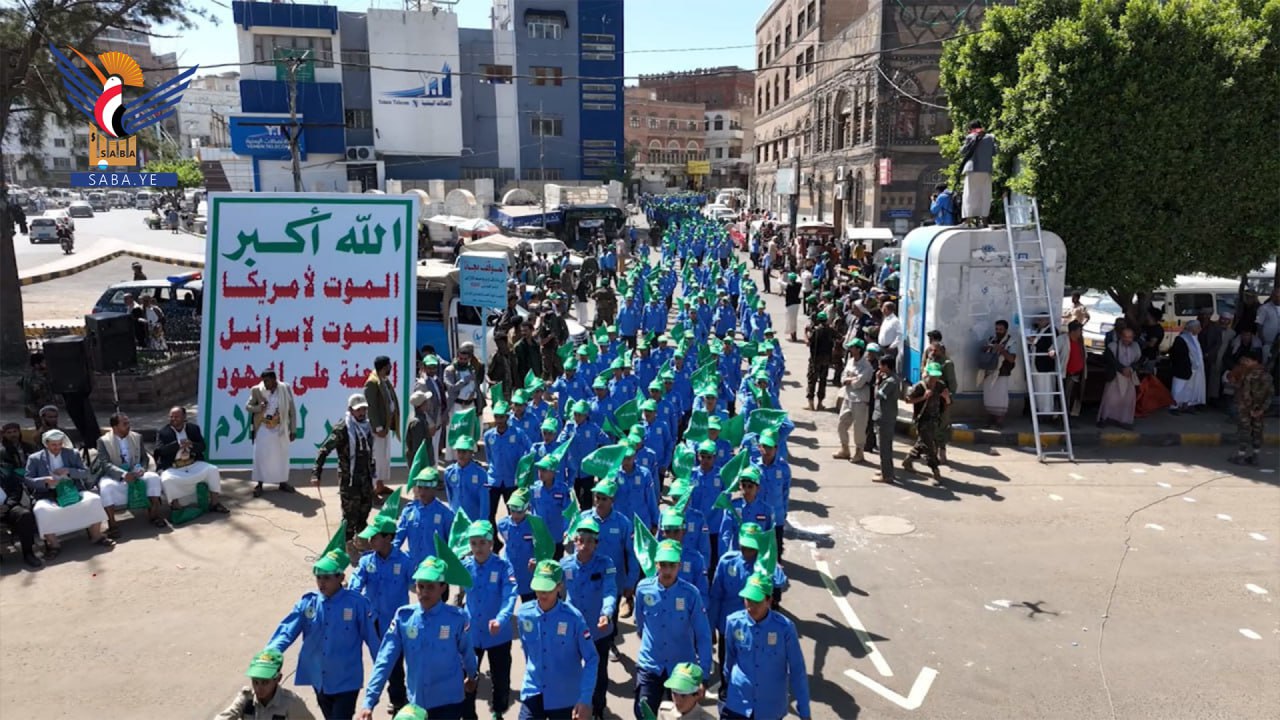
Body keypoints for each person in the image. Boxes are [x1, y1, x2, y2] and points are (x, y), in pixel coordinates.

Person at [359, 556, 479, 720]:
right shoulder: (404, 617)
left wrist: (472, 676)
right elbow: (385, 659)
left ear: (443, 587)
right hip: (417, 704)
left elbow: (467, 652)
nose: (424, 592)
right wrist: (369, 702)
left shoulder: (456, 618)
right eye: (420, 586)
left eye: (430, 587)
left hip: (448, 701)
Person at [268, 548, 379, 720]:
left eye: (327, 577)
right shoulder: (308, 603)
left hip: (346, 680)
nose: (321, 582)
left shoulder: (357, 604)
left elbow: (372, 639)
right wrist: (270, 652)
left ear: (341, 578)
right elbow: (287, 630)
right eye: (319, 577)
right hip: (319, 679)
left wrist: (381, 669)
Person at [633, 539, 712, 720]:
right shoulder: (643, 589)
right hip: (650, 664)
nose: (667, 571)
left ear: (679, 565)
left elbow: (703, 635)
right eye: (663, 565)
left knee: (681, 715)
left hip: (681, 670)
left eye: (672, 565)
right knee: (643, 712)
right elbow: (640, 623)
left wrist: (704, 676)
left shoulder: (691, 594)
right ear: (656, 564)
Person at [721, 572, 812, 720]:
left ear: (769, 600)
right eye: (748, 600)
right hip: (738, 705)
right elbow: (729, 660)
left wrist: (805, 712)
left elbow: (797, 670)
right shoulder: (733, 622)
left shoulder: (785, 629)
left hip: (770, 709)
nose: (751, 606)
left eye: (757, 601)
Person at [515, 560, 598, 720]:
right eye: (539, 588)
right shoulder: (525, 614)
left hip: (564, 696)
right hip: (534, 690)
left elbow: (591, 658)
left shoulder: (574, 618)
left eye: (548, 589)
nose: (542, 594)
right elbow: (528, 652)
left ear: (559, 586)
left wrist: (585, 699)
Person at [350, 516, 414, 716]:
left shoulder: (404, 561)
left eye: (375, 537)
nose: (370, 541)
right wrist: (349, 594)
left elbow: (417, 585)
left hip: (396, 623)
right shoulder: (367, 560)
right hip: (373, 622)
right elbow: (357, 581)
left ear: (388, 538)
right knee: (380, 661)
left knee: (394, 663)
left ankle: (398, 699)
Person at [455, 520, 519, 720]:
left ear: (491, 544)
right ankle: (468, 714)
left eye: (482, 543)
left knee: (500, 677)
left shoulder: (502, 566)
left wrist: (501, 619)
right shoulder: (465, 566)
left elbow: (510, 595)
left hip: (497, 633)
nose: (478, 548)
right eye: (473, 543)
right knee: (467, 676)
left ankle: (498, 711)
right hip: (472, 633)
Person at [559, 517, 617, 719]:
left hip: (598, 628)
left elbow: (610, 591)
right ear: (575, 540)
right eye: (581, 539)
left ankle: (598, 709)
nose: (584, 544)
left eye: (590, 540)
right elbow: (551, 587)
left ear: (597, 544)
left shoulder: (605, 564)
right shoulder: (564, 565)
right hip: (572, 630)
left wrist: (606, 613)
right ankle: (574, 706)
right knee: (571, 671)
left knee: (599, 674)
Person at [23, 429, 113, 556]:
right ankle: (54, 544)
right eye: (54, 445)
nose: (57, 447)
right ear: (46, 444)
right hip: (48, 494)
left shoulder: (72, 454)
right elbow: (28, 479)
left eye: (60, 444)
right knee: (41, 510)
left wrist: (69, 471)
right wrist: (45, 481)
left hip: (73, 490)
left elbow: (85, 473)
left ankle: (96, 535)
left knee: (94, 500)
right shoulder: (35, 458)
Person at [312, 393, 378, 556]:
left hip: (365, 478)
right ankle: (346, 546)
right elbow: (324, 450)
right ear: (350, 410)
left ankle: (361, 541)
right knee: (350, 515)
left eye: (364, 409)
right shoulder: (343, 428)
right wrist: (316, 473)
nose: (362, 413)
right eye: (358, 410)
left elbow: (370, 452)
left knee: (365, 510)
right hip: (350, 480)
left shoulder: (367, 426)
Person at [94, 412, 166, 532]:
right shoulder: (103, 441)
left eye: (128, 423)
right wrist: (123, 475)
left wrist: (142, 468)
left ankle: (154, 515)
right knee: (106, 487)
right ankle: (112, 524)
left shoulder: (136, 437)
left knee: (153, 478)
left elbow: (144, 457)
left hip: (135, 472)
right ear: (115, 427)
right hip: (115, 476)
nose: (128, 426)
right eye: (125, 424)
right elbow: (105, 464)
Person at [154, 405, 229, 513]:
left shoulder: (193, 428)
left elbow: (203, 446)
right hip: (174, 466)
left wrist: (192, 444)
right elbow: (160, 451)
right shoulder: (163, 432)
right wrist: (177, 445)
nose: (173, 419)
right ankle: (176, 507)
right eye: (171, 417)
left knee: (212, 470)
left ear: (184, 417)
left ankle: (214, 503)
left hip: (192, 463)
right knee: (167, 480)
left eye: (177, 417)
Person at [216, 648, 315, 719]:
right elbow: (226, 716)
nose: (259, 688)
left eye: (265, 682)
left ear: (278, 678)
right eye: (255, 682)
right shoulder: (247, 697)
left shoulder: (291, 703)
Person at [246, 369, 299, 497]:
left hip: (280, 427)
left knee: (282, 456)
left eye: (267, 381)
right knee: (261, 456)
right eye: (263, 381)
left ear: (274, 379)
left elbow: (292, 410)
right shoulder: (257, 390)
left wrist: (293, 430)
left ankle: (282, 482)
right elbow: (248, 406)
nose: (265, 383)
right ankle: (260, 484)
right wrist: (259, 408)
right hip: (263, 427)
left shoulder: (284, 388)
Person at [484, 400, 532, 529]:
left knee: (514, 514)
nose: (499, 420)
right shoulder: (488, 436)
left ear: (507, 416)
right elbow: (489, 456)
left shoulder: (518, 433)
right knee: (489, 514)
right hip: (494, 480)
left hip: (511, 481)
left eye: (502, 417)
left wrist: (523, 468)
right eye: (496, 417)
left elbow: (530, 450)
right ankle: (494, 542)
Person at [0, 422, 43, 567]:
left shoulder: (3, 470)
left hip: (7, 506)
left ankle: (28, 553)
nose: (12, 435)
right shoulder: (3, 452)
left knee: (24, 515)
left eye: (15, 431)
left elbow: (14, 488)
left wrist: (7, 506)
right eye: (9, 432)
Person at [904, 363, 950, 484]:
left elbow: (948, 402)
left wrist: (946, 397)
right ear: (927, 374)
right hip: (923, 421)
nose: (934, 379)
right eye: (932, 376)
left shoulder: (940, 386)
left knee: (923, 443)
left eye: (937, 376)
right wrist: (923, 397)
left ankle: (908, 460)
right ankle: (935, 470)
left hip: (935, 420)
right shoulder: (920, 386)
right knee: (930, 447)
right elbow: (908, 400)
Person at [364, 355, 401, 498]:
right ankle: (373, 490)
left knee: (384, 458)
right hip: (377, 430)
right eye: (389, 365)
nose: (391, 368)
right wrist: (378, 427)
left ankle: (380, 486)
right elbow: (371, 407)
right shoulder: (372, 383)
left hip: (385, 427)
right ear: (384, 367)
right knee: (376, 458)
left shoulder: (384, 381)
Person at [1229, 351, 1273, 466]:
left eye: (1248, 361)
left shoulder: (1249, 375)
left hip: (1246, 409)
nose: (1245, 363)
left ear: (1254, 361)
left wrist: (1251, 409)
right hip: (1260, 410)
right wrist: (1262, 409)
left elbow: (1246, 393)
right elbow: (1270, 394)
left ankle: (1241, 456)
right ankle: (1255, 456)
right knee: (1257, 432)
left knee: (1245, 431)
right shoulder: (1267, 375)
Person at [443, 343, 485, 461]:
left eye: (465, 359)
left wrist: (475, 396)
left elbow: (475, 385)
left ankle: (467, 457)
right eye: (460, 358)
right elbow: (451, 388)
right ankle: (453, 459)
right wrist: (464, 380)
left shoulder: (471, 368)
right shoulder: (450, 370)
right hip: (456, 405)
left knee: (468, 431)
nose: (462, 361)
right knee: (454, 431)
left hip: (469, 404)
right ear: (457, 357)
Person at [835, 338, 872, 462]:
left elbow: (859, 383)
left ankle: (859, 452)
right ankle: (845, 449)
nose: (850, 349)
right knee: (841, 424)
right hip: (847, 397)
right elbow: (843, 377)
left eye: (852, 347)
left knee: (859, 428)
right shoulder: (850, 361)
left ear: (858, 349)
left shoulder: (867, 366)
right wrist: (851, 379)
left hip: (860, 400)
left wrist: (851, 380)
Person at [1097, 327, 1141, 430]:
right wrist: (1122, 369)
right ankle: (1104, 419)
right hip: (1115, 376)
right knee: (1110, 399)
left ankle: (1124, 420)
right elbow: (1110, 360)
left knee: (1127, 400)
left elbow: (1139, 361)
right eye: (1125, 337)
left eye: (1130, 337)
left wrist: (1131, 368)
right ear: (1121, 336)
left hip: (1129, 376)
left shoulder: (1136, 347)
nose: (1127, 339)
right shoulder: (1112, 346)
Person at [959, 120, 997, 226]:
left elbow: (963, 151)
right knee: (985, 194)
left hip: (972, 168)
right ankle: (984, 219)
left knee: (969, 195)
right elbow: (995, 152)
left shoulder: (971, 136)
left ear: (971, 129)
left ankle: (968, 220)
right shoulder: (990, 137)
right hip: (986, 170)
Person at [979, 320, 1017, 429]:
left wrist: (1002, 351)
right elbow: (983, 350)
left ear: (1006, 330)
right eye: (996, 329)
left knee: (1000, 398)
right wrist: (989, 347)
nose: (998, 331)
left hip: (1002, 373)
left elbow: (1012, 359)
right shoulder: (992, 339)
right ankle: (990, 419)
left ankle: (999, 421)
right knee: (989, 396)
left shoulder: (1011, 342)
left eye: (1000, 329)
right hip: (989, 372)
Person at [1169, 320, 1206, 413]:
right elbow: (1177, 355)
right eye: (1197, 327)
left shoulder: (1196, 338)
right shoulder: (1181, 339)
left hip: (1195, 370)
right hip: (1183, 369)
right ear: (1191, 328)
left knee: (1190, 388)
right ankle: (1175, 406)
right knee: (1178, 388)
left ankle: (1187, 404)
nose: (1200, 329)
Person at [872, 356, 899, 483]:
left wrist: (877, 381)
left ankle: (887, 475)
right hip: (886, 416)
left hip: (885, 418)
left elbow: (878, 395)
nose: (879, 368)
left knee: (884, 447)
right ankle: (887, 470)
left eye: (881, 365)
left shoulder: (890, 382)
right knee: (885, 446)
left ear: (887, 366)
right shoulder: (890, 379)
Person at [805, 312, 836, 411]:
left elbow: (808, 342)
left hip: (815, 360)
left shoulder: (816, 331)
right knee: (823, 381)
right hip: (826, 360)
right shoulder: (830, 330)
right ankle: (820, 403)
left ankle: (811, 403)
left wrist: (805, 333)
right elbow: (839, 338)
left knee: (812, 380)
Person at [17, 352, 55, 425]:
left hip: (41, 406)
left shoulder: (34, 374)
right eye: (43, 362)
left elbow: (20, 383)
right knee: (43, 425)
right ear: (37, 364)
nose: (46, 364)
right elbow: (36, 391)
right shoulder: (35, 377)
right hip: (38, 406)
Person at [1061, 321, 1088, 417]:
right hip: (1068, 373)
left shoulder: (1081, 341)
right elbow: (1054, 350)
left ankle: (1072, 413)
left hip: (1079, 373)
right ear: (1073, 331)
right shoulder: (1063, 339)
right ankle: (1064, 416)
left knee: (1076, 395)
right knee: (1066, 396)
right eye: (1080, 331)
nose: (1081, 333)